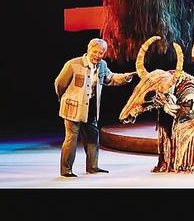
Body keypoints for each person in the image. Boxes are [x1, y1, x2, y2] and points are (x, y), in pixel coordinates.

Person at [54, 38, 135, 177]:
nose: (97, 55)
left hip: (90, 107)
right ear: (88, 49)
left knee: (93, 136)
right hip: (72, 108)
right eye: (95, 52)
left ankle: (93, 167)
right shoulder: (73, 64)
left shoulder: (102, 65)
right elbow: (59, 84)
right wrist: (65, 99)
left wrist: (126, 77)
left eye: (101, 53)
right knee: (71, 138)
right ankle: (66, 170)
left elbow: (110, 78)